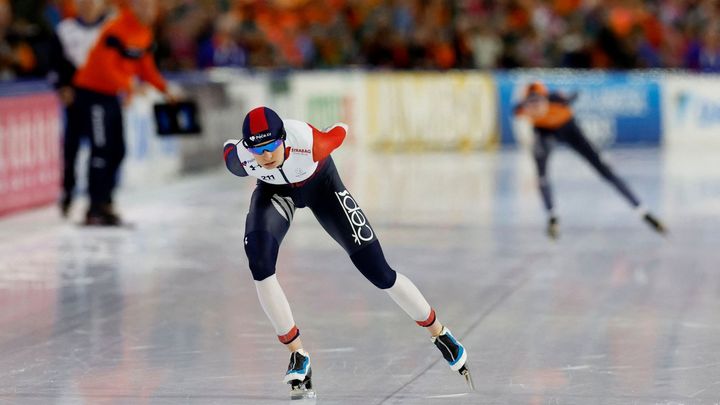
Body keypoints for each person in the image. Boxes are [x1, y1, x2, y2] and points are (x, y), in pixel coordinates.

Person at [223, 106, 473, 399]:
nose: (265, 156)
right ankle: (297, 353)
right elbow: (228, 149)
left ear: (284, 138)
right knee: (260, 264)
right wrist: (240, 149)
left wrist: (341, 126)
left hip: (322, 186)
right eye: (257, 149)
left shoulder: (308, 142)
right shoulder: (241, 160)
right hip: (274, 192)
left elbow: (340, 131)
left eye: (271, 146)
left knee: (379, 272)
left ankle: (440, 333)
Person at [514, 81, 667, 239]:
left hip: (568, 128)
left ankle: (642, 210)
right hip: (544, 132)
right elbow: (517, 113)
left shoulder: (557, 100)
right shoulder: (520, 109)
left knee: (604, 170)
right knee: (541, 175)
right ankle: (552, 216)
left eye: (538, 101)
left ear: (546, 99)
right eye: (531, 103)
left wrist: (568, 97)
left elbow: (574, 95)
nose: (535, 107)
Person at [71, 0, 174, 225]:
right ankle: (93, 208)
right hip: (92, 94)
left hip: (112, 96)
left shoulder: (144, 33)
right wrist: (129, 86)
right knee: (101, 149)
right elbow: (104, 67)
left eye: (152, 8)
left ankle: (106, 203)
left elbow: (146, 67)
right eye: (144, 7)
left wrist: (166, 90)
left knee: (118, 150)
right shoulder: (115, 29)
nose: (149, 12)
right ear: (134, 7)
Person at [47, 0, 111, 217]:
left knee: (102, 149)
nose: (88, 5)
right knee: (71, 149)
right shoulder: (65, 30)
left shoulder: (111, 28)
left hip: (101, 100)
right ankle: (68, 191)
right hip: (75, 100)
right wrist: (62, 87)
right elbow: (54, 64)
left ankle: (100, 199)